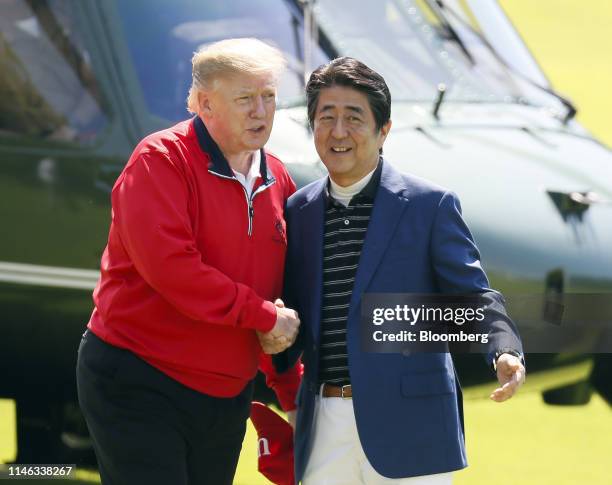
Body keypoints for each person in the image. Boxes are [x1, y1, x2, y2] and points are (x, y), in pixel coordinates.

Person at [274, 57, 526, 485]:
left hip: (413, 424)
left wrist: (504, 350)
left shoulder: (431, 205)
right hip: (324, 423)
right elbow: (296, 312)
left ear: (383, 130)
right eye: (325, 117)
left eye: (353, 118)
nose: (338, 132)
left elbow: (474, 295)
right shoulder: (299, 210)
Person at [76, 38, 301, 485]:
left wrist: (292, 393)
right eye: (245, 99)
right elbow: (175, 272)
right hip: (139, 379)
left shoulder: (278, 178)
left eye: (269, 97)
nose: (261, 111)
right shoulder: (159, 161)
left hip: (226, 393)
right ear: (203, 103)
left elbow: (284, 297)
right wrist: (260, 315)